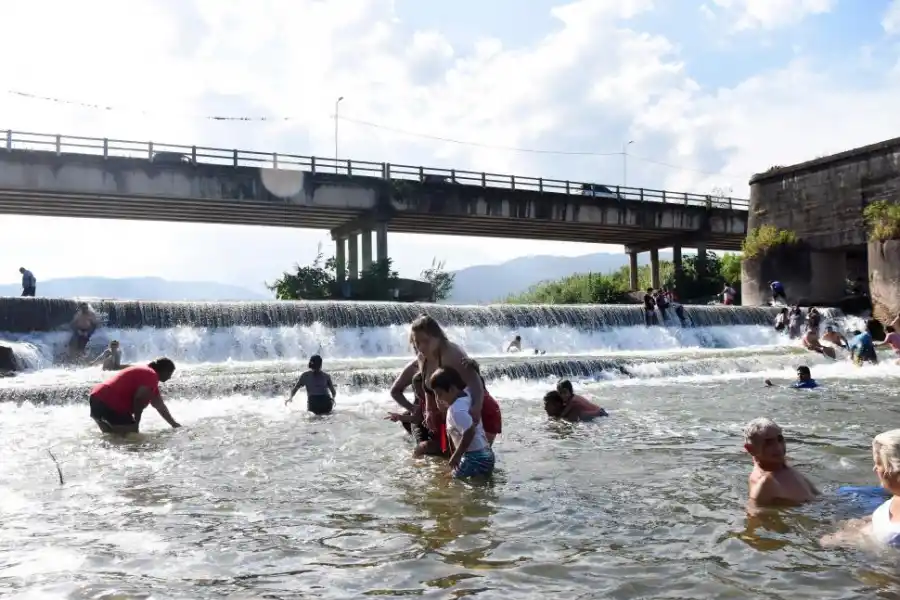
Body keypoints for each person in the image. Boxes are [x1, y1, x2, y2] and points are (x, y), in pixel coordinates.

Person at [389, 315, 502, 446]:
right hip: (456, 416)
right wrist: (429, 410)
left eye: (425, 341)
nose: (421, 347)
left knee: (477, 460)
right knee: (454, 461)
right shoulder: (422, 358)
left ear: (437, 337)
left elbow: (475, 382)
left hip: (481, 412)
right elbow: (428, 388)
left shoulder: (452, 353)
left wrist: (476, 408)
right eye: (417, 342)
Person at [428, 367, 495, 479]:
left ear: (453, 389)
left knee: (452, 485)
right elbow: (476, 381)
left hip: (475, 458)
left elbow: (470, 431)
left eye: (440, 394)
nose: (438, 399)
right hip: (485, 455)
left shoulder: (456, 410)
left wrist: (456, 456)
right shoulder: (468, 394)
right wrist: (472, 366)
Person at [88, 358, 180, 434]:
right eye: (170, 374)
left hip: (96, 398)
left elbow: (159, 406)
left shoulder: (145, 374)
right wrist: (136, 423)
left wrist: (174, 424)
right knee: (131, 438)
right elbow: (139, 399)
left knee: (112, 439)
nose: (169, 378)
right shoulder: (151, 375)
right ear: (164, 370)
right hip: (111, 402)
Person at [743, 417, 819, 508]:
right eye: (768, 443)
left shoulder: (778, 464)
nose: (778, 448)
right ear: (751, 449)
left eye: (780, 439)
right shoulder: (765, 484)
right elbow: (754, 518)